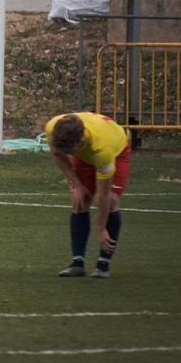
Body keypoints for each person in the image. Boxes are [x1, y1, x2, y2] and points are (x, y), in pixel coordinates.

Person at [45, 112, 130, 279]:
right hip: (86, 152)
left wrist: (101, 228)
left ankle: (103, 264)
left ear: (81, 140)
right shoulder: (53, 129)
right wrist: (76, 185)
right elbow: (59, 156)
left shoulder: (103, 150)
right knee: (80, 200)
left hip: (116, 151)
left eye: (70, 150)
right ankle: (77, 263)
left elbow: (103, 194)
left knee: (111, 200)